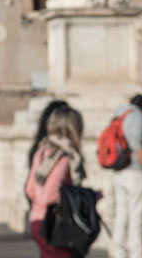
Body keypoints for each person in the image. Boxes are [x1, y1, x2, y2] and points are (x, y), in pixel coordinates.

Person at [25, 105, 86, 258]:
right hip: (55, 226)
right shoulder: (64, 158)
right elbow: (50, 195)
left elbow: (30, 189)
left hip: (36, 220)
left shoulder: (42, 152)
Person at [110, 94, 142, 258]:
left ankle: (117, 251)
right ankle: (136, 252)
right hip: (134, 171)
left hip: (118, 170)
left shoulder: (118, 114)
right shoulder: (136, 115)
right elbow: (136, 145)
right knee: (136, 215)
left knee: (121, 214)